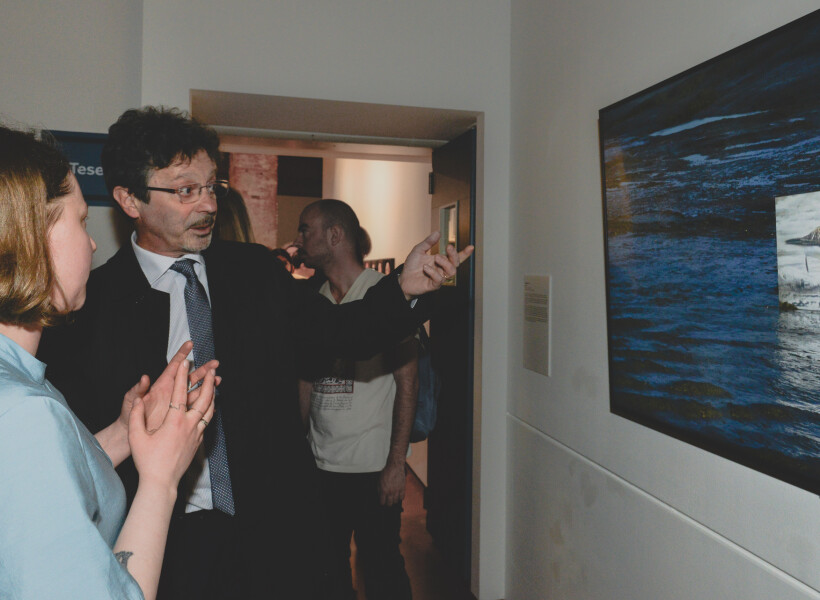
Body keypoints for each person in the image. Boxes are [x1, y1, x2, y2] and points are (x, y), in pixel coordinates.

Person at [38, 106, 473, 600]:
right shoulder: (92, 305)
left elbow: (340, 331)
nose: (208, 205)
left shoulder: (255, 272)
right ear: (129, 199)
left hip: (274, 530)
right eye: (186, 190)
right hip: (169, 540)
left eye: (211, 186)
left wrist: (403, 290)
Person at [0, 125, 218, 600]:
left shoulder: (17, 380)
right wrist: (160, 480)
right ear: (32, 238)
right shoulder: (24, 414)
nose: (93, 243)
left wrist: (124, 432)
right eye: (80, 222)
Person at [296, 200, 417, 600]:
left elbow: (408, 383)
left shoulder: (383, 295)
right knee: (326, 573)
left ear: (335, 235)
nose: (299, 238)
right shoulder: (312, 300)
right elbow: (305, 380)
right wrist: (299, 454)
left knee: (383, 571)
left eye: (306, 228)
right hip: (321, 466)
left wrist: (396, 464)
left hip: (372, 467)